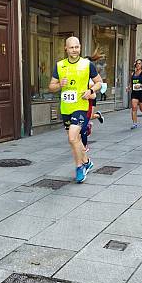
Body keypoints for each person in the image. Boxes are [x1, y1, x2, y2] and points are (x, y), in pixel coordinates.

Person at [49, 36, 102, 183]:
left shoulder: (87, 64)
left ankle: (80, 167)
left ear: (80, 47)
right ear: (66, 48)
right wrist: (60, 84)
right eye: (71, 47)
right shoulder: (60, 65)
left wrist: (90, 91)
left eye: (77, 47)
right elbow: (51, 86)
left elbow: (99, 82)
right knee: (75, 140)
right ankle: (87, 162)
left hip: (81, 106)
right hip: (66, 108)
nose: (75, 50)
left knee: (72, 137)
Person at [126, 59, 142, 129]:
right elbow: (131, 83)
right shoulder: (133, 74)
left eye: (139, 63)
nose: (138, 65)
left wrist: (140, 85)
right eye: (137, 63)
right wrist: (129, 87)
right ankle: (134, 123)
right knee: (134, 108)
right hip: (134, 93)